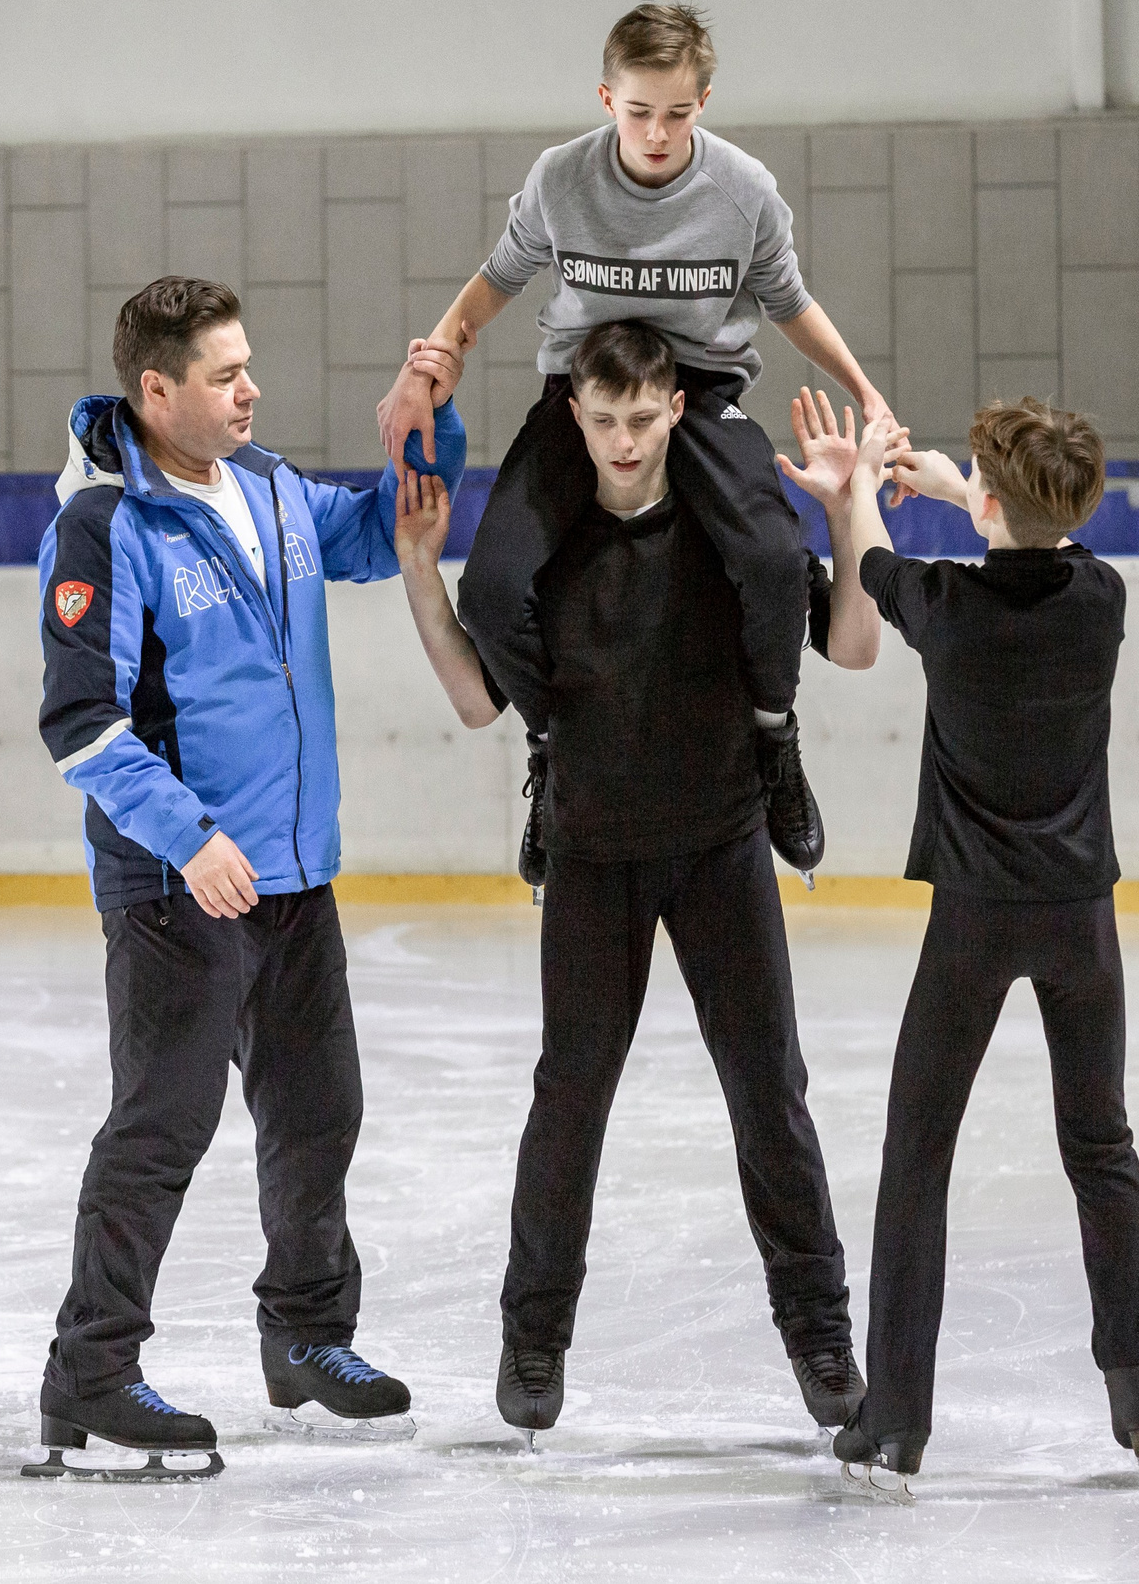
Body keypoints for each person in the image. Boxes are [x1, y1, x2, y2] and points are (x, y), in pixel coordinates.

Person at [393, 320, 870, 1447]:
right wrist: (421, 570)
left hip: (720, 840)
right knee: (570, 1097)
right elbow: (475, 702)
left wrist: (850, 511)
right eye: (602, 420)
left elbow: (851, 646)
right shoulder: (546, 555)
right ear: (576, 419)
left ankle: (820, 1331)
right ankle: (533, 1336)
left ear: (675, 414)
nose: (622, 439)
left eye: (642, 418)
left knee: (770, 1094)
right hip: (594, 851)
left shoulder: (726, 536)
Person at [26, 277, 467, 1481]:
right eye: (224, 375)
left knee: (319, 1109)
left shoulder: (269, 487)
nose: (250, 388)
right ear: (155, 389)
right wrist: (189, 837)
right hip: (180, 880)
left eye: (247, 367)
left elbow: (383, 530)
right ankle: (92, 1367)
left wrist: (425, 420)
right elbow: (79, 724)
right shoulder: (106, 524)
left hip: (292, 873)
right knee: (162, 1126)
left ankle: (307, 1336)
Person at [377, 1, 890, 890]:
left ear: (704, 102)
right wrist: (428, 363)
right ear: (607, 97)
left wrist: (866, 390)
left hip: (695, 395)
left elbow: (788, 301)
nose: (657, 133)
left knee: (772, 564)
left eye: (679, 113)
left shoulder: (744, 193)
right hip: (588, 394)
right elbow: (498, 277)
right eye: (639, 111)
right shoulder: (560, 178)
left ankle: (774, 737)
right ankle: (550, 752)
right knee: (495, 592)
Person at [779, 386, 1139, 1502]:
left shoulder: (942, 603)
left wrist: (854, 484)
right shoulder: (1101, 597)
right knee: (1100, 1143)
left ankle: (896, 1418)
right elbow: (1053, 541)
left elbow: (865, 564)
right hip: (1079, 919)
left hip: (972, 919)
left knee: (919, 1155)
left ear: (992, 500)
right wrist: (974, 493)